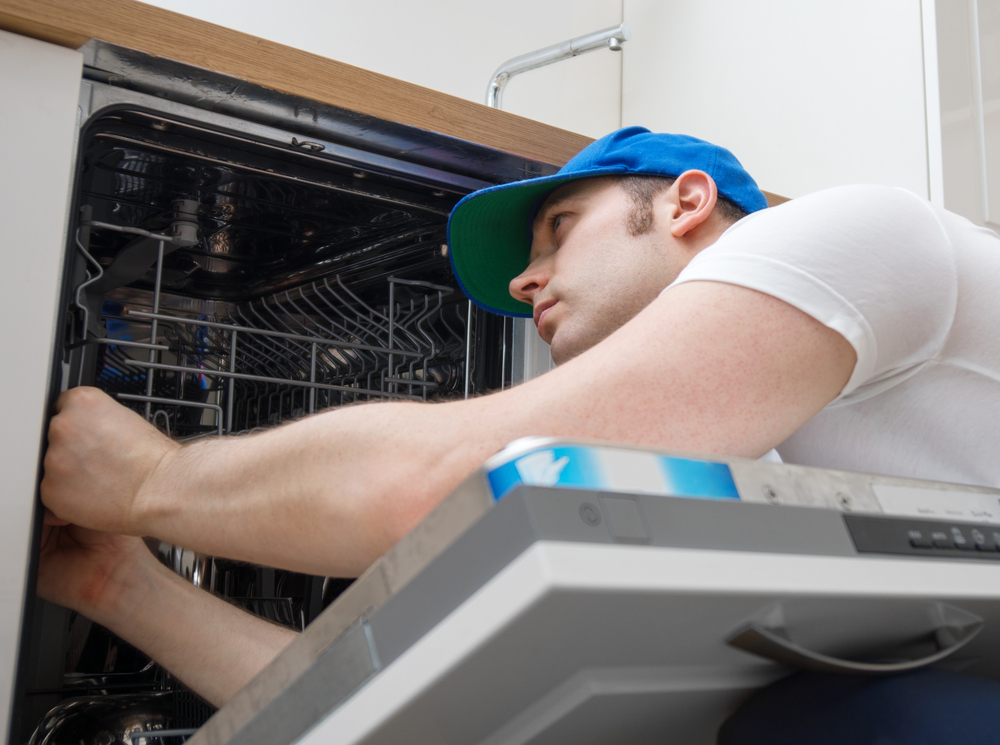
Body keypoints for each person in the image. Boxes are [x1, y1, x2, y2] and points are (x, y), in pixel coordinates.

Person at [38, 128, 1000, 735]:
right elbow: (415, 704)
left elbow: (445, 485)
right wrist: (118, 583)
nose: (523, 283)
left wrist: (149, 478)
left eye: (560, 230)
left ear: (686, 202)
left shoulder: (851, 234)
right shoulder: (734, 476)